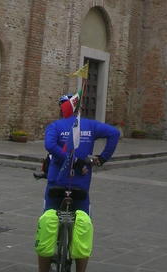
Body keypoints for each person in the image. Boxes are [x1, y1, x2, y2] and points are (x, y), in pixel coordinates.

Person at [37, 94, 120, 272]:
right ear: (78, 109)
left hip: (56, 184)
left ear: (62, 110)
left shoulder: (55, 126)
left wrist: (70, 159)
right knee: (84, 227)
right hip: (81, 186)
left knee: (46, 225)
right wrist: (102, 158)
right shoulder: (89, 125)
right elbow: (115, 133)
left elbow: (50, 145)